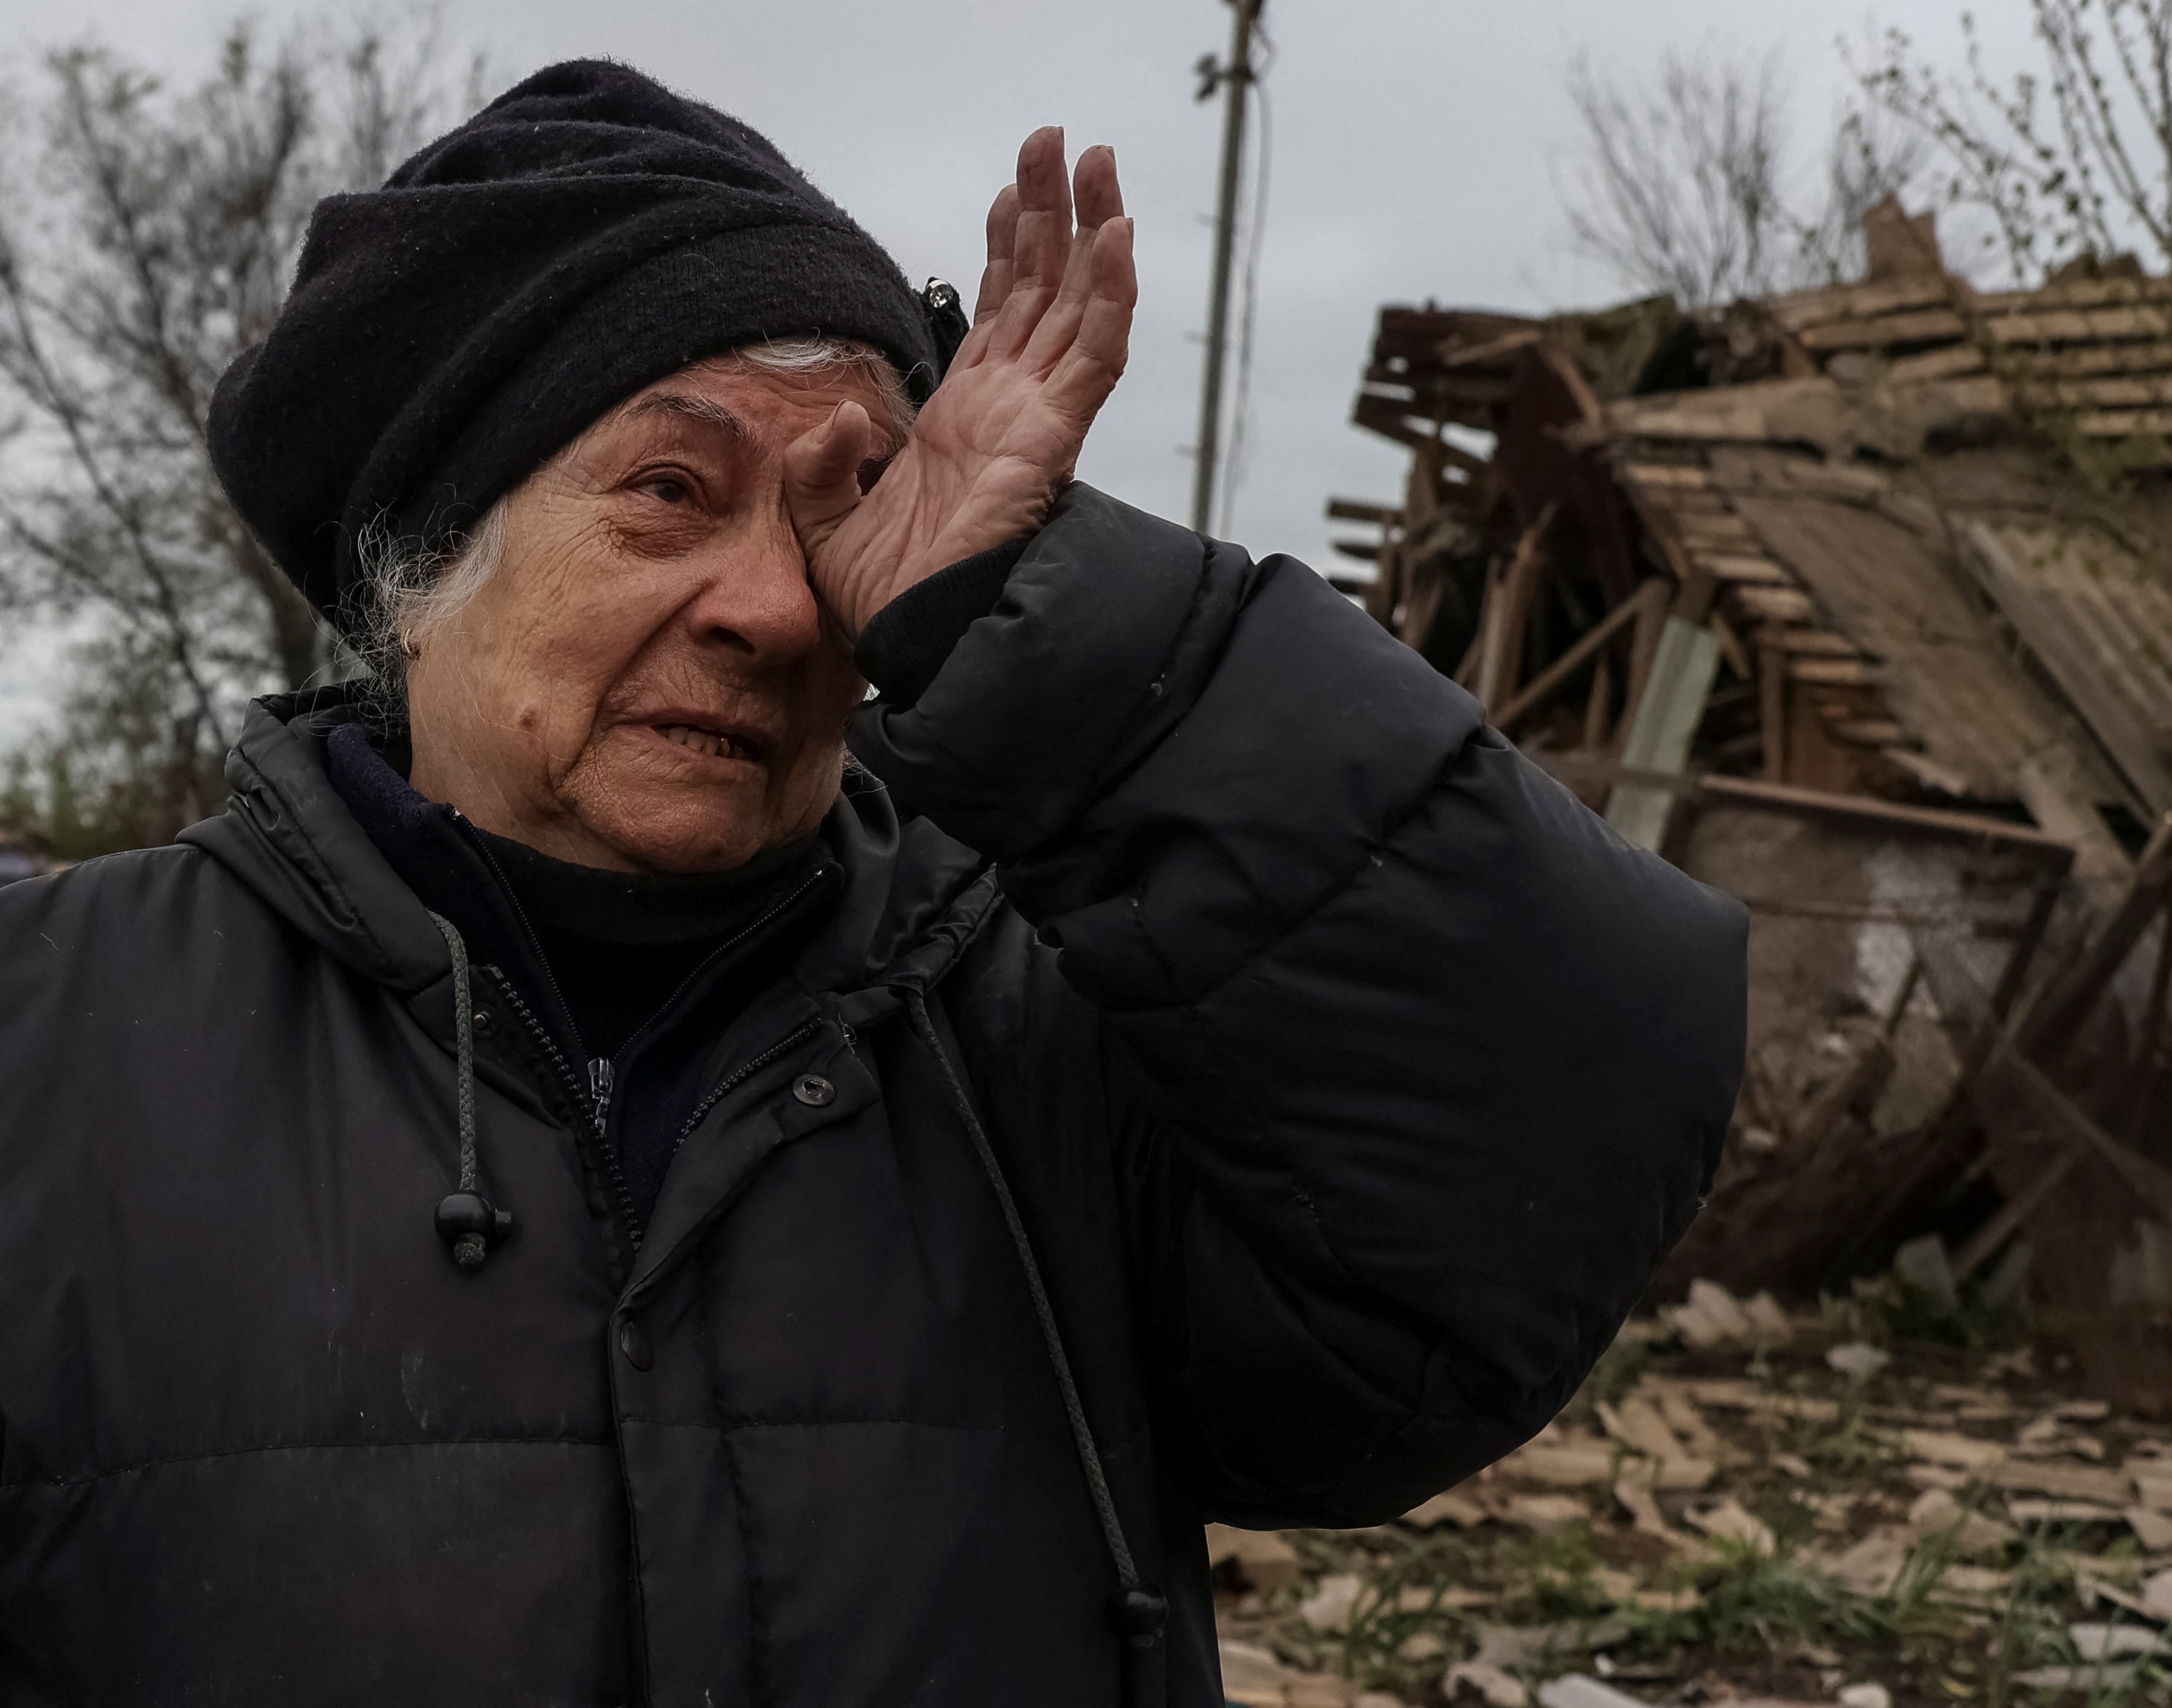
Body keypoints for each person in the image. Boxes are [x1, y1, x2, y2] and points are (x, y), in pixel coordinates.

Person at [0, 60, 1745, 1708]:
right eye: (668, 491)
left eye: (846, 507)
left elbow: (1541, 1161)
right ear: (419, 575)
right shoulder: (53, 1039)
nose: (776, 606)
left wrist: (1058, 639)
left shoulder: (1047, 1032)